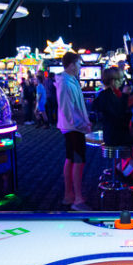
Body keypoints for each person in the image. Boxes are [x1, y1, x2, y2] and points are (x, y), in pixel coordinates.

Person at [91, 66, 133, 184]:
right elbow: (119, 113)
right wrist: (125, 95)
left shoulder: (109, 94)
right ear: (113, 81)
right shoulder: (107, 96)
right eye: (120, 80)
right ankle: (124, 173)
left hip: (116, 133)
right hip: (116, 135)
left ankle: (124, 168)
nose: (121, 83)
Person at [57, 51, 93, 210]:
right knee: (78, 161)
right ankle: (77, 200)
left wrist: (84, 121)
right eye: (79, 64)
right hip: (73, 128)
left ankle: (68, 195)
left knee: (71, 159)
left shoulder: (69, 80)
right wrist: (82, 125)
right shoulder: (65, 83)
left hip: (73, 127)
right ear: (71, 65)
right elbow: (68, 110)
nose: (80, 67)